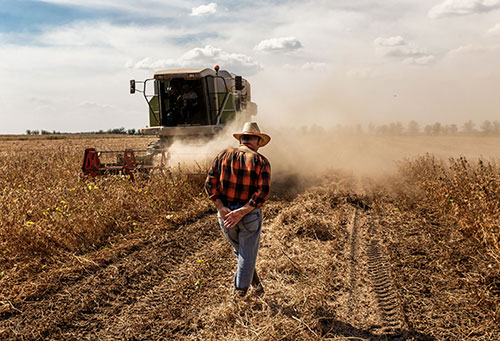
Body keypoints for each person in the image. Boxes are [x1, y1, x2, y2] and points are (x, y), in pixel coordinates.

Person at [205, 122, 271, 298]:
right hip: (248, 216)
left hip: (225, 216)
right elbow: (262, 193)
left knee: (241, 253)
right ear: (256, 141)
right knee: (247, 257)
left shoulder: (222, 155)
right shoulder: (261, 161)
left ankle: (256, 285)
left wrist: (221, 208)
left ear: (241, 139)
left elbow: (209, 184)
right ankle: (239, 295)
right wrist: (242, 211)